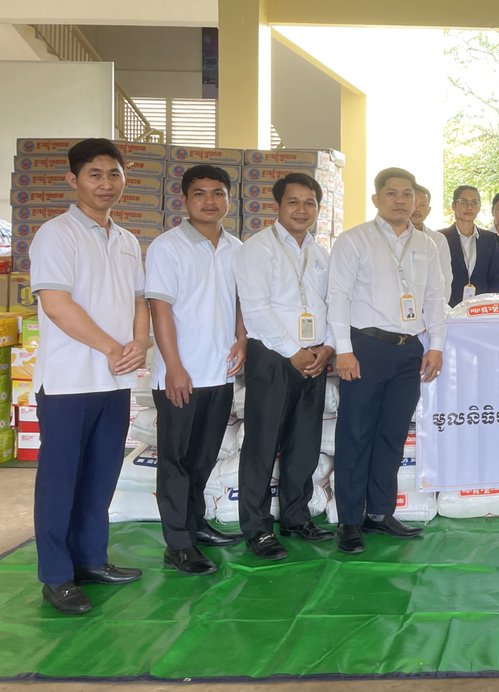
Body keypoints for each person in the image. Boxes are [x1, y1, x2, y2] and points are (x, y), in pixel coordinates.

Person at [29, 138, 149, 614]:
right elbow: (57, 305)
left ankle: (91, 560)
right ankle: (57, 576)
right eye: (95, 174)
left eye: (113, 174)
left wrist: (139, 342)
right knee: (60, 482)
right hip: (68, 383)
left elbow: (139, 301)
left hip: (114, 383)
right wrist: (112, 347)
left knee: (100, 478)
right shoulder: (56, 234)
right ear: (73, 179)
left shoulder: (127, 240)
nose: (106, 183)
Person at [327, 168, 446, 553]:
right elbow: (338, 297)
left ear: (416, 200)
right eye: (392, 193)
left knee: (392, 435)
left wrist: (436, 345)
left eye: (407, 194)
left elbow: (435, 298)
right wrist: (343, 349)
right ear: (376, 199)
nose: (400, 200)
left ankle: (380, 512)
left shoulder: (427, 245)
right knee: (355, 434)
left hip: (409, 349)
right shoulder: (354, 240)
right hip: (365, 347)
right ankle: (349, 520)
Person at [145, 165, 246, 575]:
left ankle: (196, 524)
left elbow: (240, 302)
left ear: (229, 200)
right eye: (200, 193)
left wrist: (241, 340)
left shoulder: (237, 248)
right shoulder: (167, 247)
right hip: (180, 375)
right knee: (176, 460)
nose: (210, 201)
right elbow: (160, 309)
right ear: (184, 200)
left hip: (219, 372)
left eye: (218, 193)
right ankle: (178, 544)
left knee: (203, 457)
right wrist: (174, 367)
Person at [233, 173, 337, 561]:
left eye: (310, 203)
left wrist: (328, 347)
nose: (302, 210)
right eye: (293, 202)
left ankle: (295, 516)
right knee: (262, 444)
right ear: (277, 205)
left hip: (314, 358)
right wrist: (293, 351)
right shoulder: (256, 249)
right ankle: (257, 529)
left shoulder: (322, 254)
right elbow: (256, 309)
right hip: (273, 358)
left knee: (304, 443)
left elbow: (332, 305)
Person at [438, 184, 499, 306]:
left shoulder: (490, 239)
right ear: (453, 205)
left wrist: (490, 305)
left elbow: (496, 278)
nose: (469, 207)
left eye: (474, 202)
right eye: (463, 202)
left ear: (479, 207)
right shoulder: (440, 238)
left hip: (481, 308)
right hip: (449, 308)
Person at [413, 184, 452, 304]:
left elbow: (445, 279)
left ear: (429, 210)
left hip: (429, 307)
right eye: (413, 204)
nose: (417, 209)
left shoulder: (438, 239)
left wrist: (439, 307)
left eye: (422, 205)